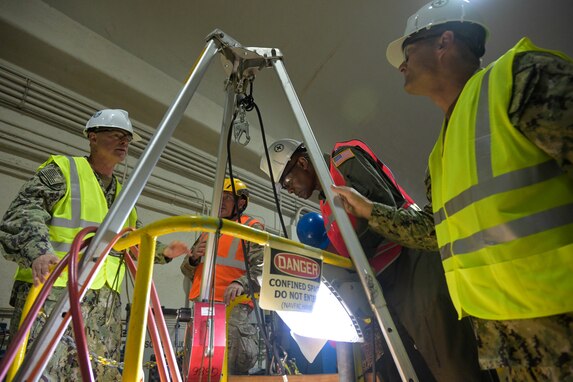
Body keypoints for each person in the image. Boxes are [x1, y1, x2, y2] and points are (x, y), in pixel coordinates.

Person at [331, 0, 573, 379]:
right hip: (504, 341)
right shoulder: (441, 152)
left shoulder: (522, 78)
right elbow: (435, 230)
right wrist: (369, 210)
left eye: (408, 52)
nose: (401, 65)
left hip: (562, 328)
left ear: (444, 42)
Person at [260, 138, 484, 381]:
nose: (290, 189)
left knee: (449, 359)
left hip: (411, 262)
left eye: (287, 182)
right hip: (387, 282)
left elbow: (382, 205)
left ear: (302, 163)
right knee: (405, 367)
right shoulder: (326, 202)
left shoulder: (342, 160)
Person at [0, 109, 188, 381]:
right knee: (41, 370)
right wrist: (39, 252)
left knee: (96, 373)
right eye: (116, 135)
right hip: (54, 290)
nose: (124, 142)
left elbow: (126, 241)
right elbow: (24, 213)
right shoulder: (64, 170)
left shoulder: (124, 194)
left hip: (103, 305)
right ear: (93, 137)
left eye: (127, 138)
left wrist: (162, 253)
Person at [180, 177, 263, 375]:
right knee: (198, 368)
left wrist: (241, 282)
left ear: (241, 203)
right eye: (219, 197)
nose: (221, 202)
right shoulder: (209, 229)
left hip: (232, 306)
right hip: (203, 305)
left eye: (227, 197)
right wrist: (193, 259)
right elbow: (187, 270)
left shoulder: (251, 227)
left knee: (231, 366)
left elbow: (261, 267)